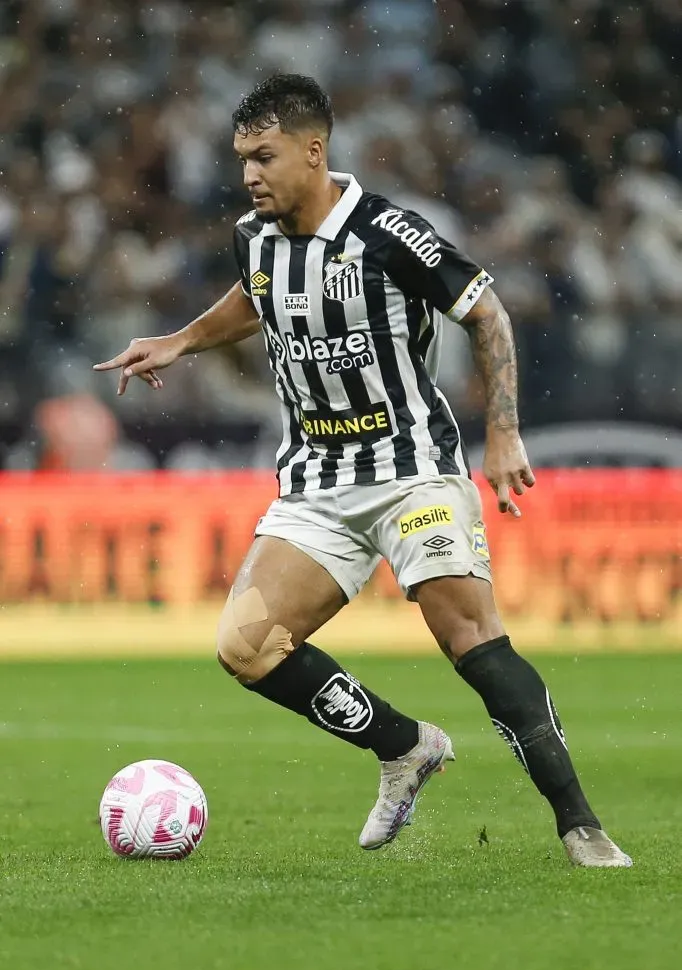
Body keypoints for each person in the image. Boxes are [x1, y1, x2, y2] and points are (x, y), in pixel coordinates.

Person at [94, 74, 631, 868]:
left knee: (471, 639)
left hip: (411, 469)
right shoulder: (255, 235)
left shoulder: (389, 234)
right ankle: (405, 746)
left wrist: (505, 431)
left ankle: (580, 825)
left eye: (265, 156)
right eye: (242, 157)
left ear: (315, 151)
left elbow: (485, 311)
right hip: (317, 481)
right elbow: (259, 296)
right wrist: (181, 339)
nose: (250, 174)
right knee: (247, 647)